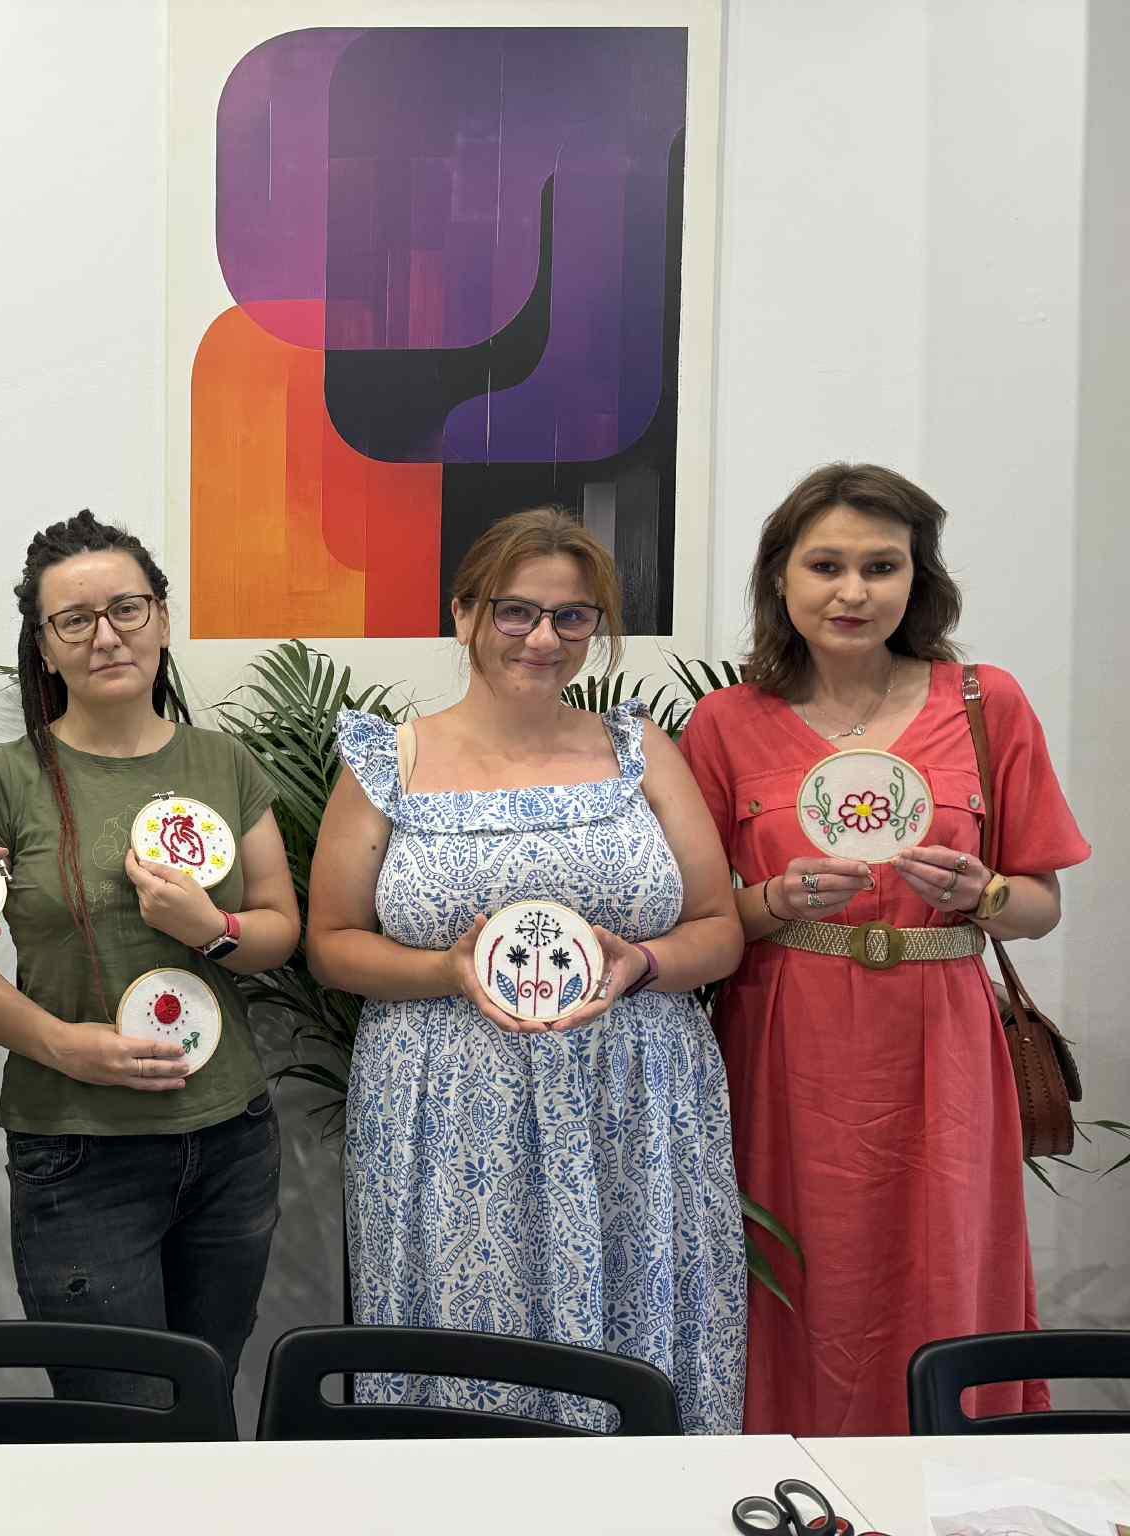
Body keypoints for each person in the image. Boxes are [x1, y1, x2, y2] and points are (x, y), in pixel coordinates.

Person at [308, 506, 747, 1433]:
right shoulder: (388, 759)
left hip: (633, 1103)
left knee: (639, 1343)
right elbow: (332, 944)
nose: (543, 638)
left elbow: (718, 928)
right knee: (459, 1351)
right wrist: (446, 972)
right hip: (446, 1111)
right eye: (515, 611)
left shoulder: (640, 751)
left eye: (572, 617)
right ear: (464, 613)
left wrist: (644, 961)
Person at [678, 463, 1090, 1435]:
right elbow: (695, 923)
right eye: (823, 564)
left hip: (939, 1043)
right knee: (795, 1269)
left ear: (918, 579)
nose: (851, 591)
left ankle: (951, 1481)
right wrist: (769, 900)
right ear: (778, 578)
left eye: (879, 566)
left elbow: (1038, 904)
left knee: (943, 1259)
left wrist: (981, 892)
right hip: (784, 1042)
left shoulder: (986, 703)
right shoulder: (723, 724)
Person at [0, 511, 298, 1404]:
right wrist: (61, 1044)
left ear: (163, 621)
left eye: (127, 609)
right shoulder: (2, 781)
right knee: (115, 1418)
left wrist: (209, 928)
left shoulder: (225, 763)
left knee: (208, 1391)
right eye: (74, 620)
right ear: (44, 648)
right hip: (77, 1150)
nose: (106, 636)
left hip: (229, 1137)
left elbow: (284, 925)